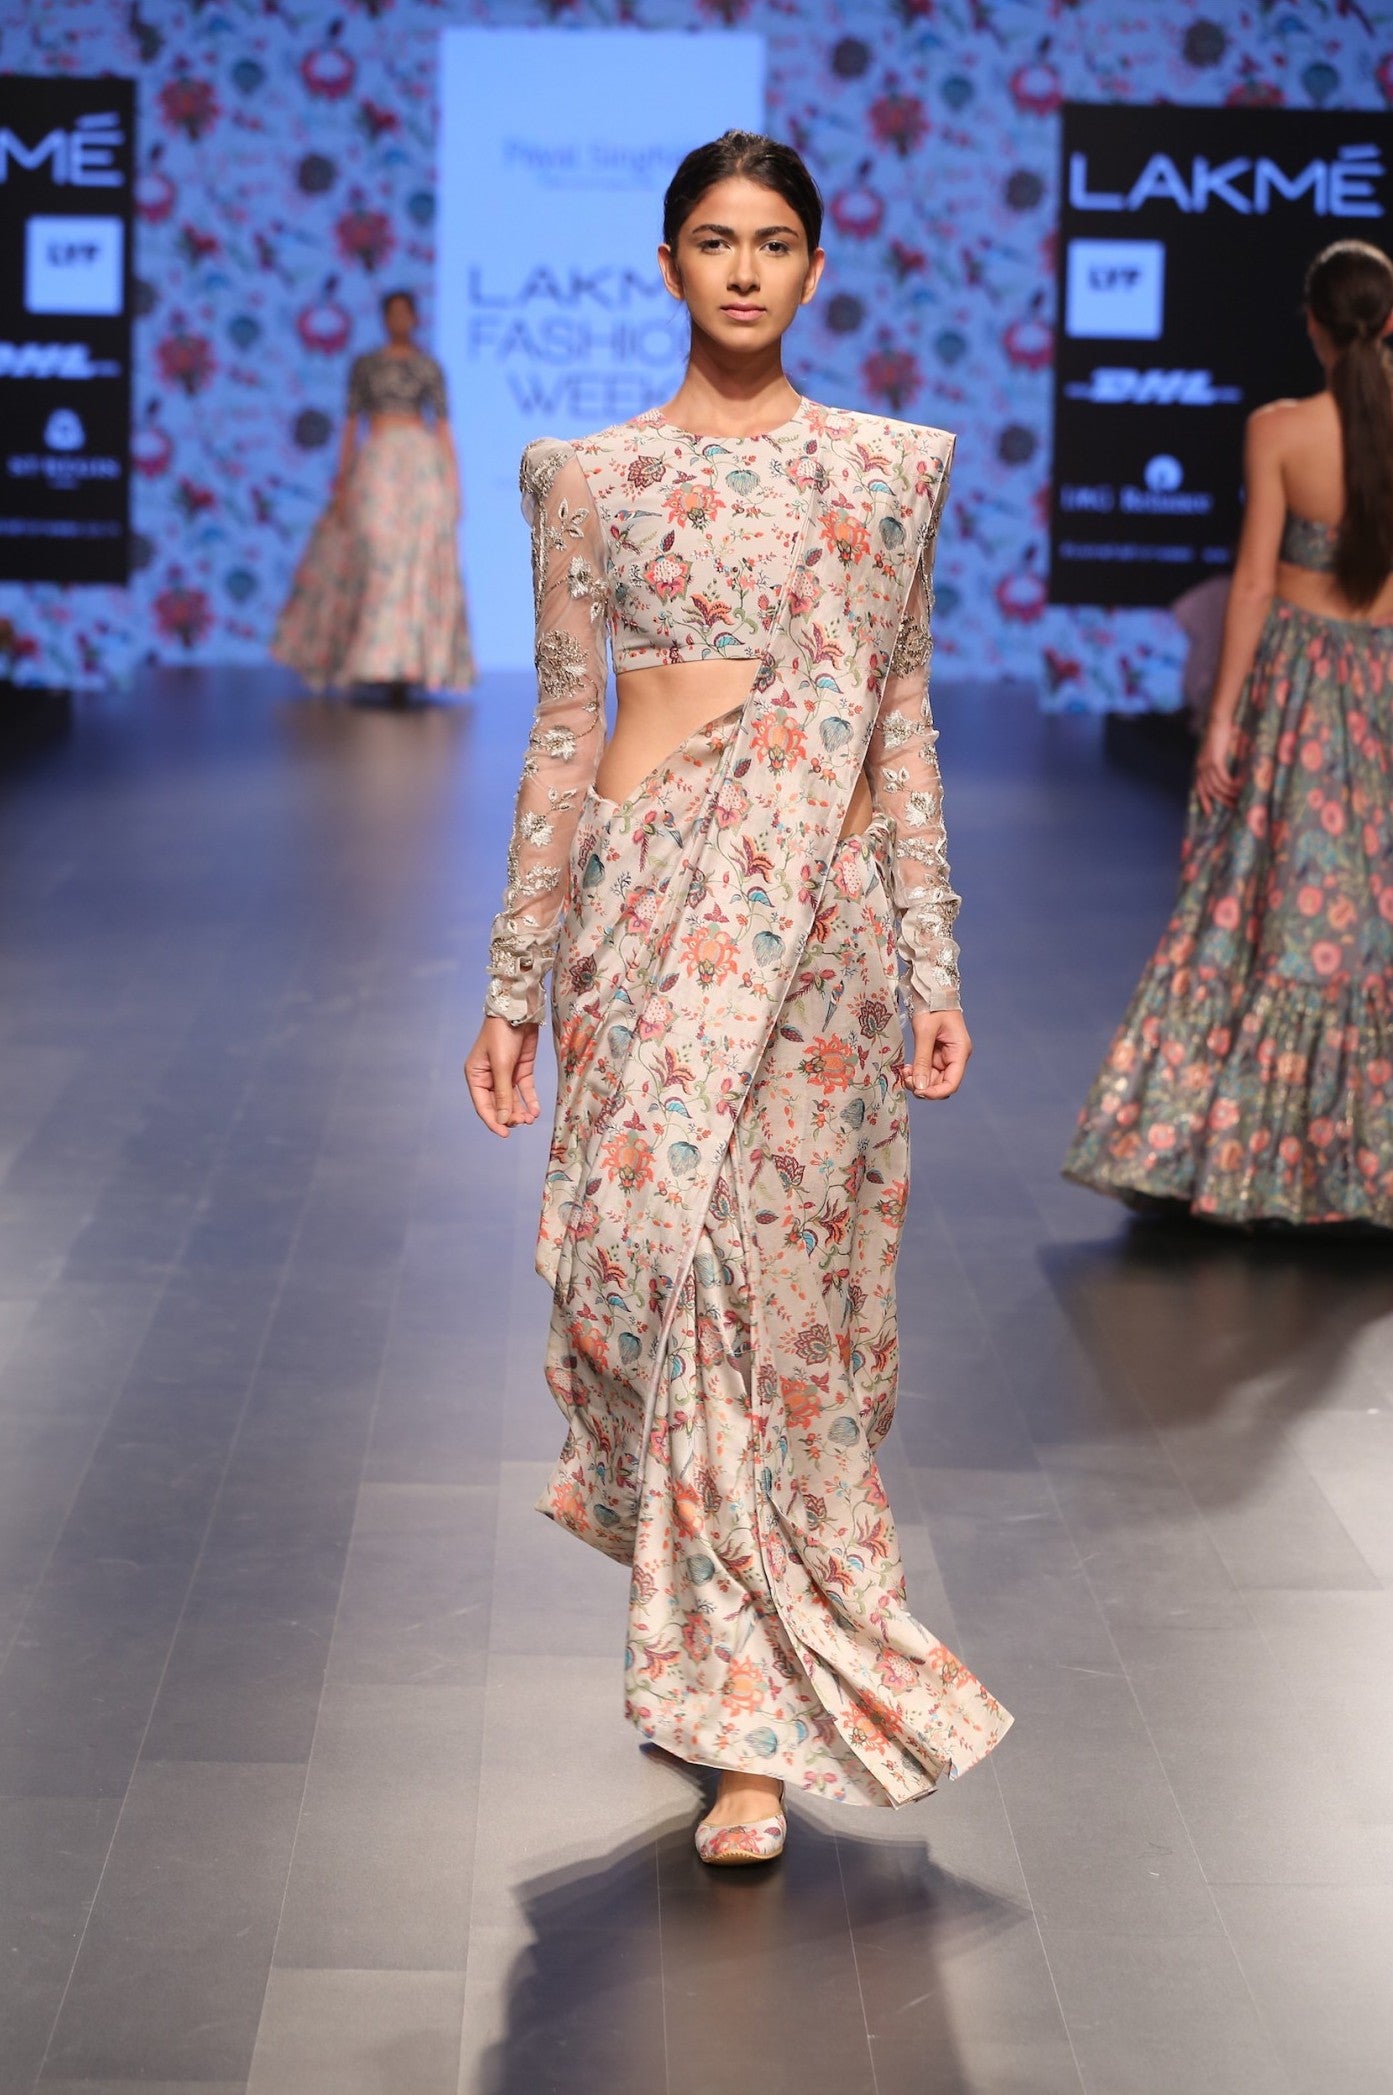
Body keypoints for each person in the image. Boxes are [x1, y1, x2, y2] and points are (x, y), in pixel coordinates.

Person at [464, 131, 1010, 1865]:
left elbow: (898, 720)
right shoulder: (586, 477)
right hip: (643, 924)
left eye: (774, 242)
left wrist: (932, 958)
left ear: (816, 268)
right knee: (649, 1268)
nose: (746, 270)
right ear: (666, 265)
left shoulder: (885, 473)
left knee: (770, 1303)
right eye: (714, 240)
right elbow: (564, 726)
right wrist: (513, 979)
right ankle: (719, 1652)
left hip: (817, 937)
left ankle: (739, 1729)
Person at [1066, 240, 1393, 1229]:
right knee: (1368, 911)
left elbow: (1250, 584)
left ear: (1311, 325)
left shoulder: (1280, 429)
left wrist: (1217, 723)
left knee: (1259, 902)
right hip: (1381, 686)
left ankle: (1244, 1159)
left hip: (1296, 689)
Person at [272, 288, 474, 702]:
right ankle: (373, 660)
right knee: (375, 552)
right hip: (379, 459)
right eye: (392, 313)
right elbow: (351, 425)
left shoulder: (429, 367)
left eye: (405, 313)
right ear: (384, 319)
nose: (400, 320)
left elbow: (444, 428)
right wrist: (342, 481)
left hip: (420, 465)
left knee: (414, 559)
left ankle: (406, 665)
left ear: (415, 318)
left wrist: (454, 485)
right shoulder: (365, 365)